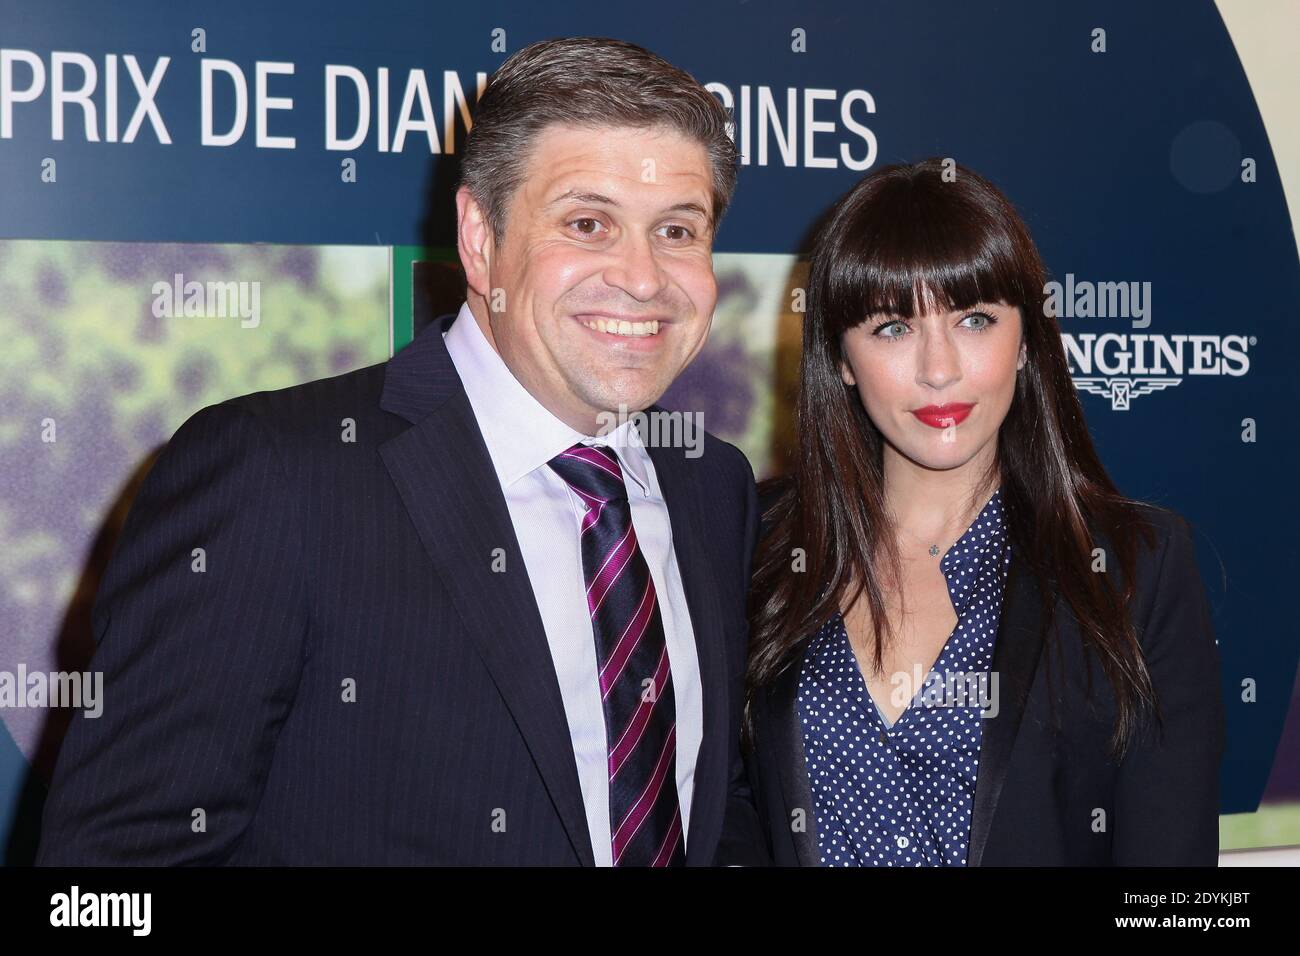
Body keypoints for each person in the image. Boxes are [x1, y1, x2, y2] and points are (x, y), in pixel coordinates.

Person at [37, 36, 766, 866]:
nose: (642, 277)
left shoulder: (715, 485)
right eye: (588, 223)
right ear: (481, 238)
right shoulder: (275, 475)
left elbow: (716, 804)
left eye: (678, 229)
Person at [730, 159, 1226, 866]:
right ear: (840, 357)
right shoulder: (758, 540)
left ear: (1025, 341)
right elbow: (725, 809)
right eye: (893, 328)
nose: (940, 368)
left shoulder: (1136, 566)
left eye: (974, 320)